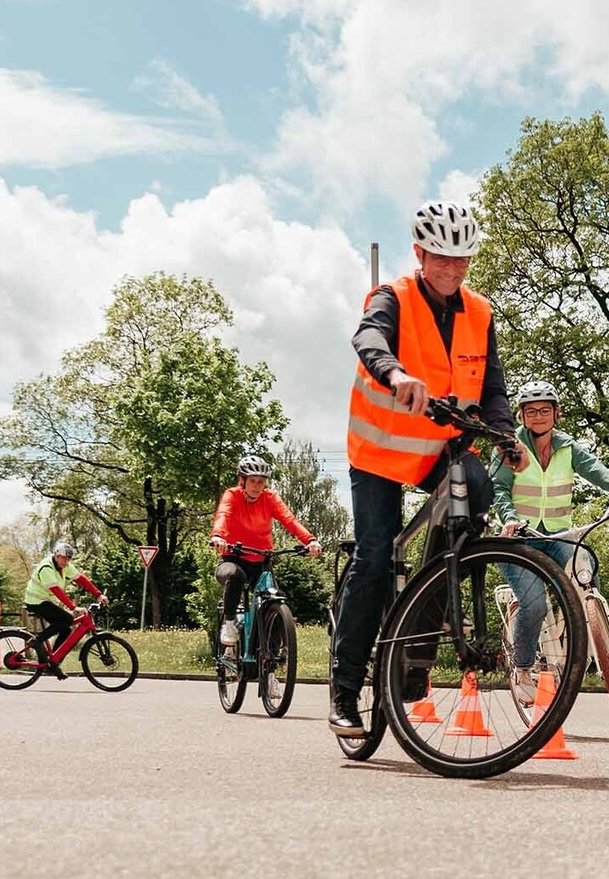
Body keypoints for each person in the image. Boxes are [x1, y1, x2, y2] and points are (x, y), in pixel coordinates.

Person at [330, 199, 519, 735]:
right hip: (381, 455)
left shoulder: (480, 313)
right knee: (372, 559)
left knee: (477, 494)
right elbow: (367, 339)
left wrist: (504, 434)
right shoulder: (392, 297)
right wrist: (395, 374)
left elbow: (493, 388)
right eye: (442, 258)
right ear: (419, 253)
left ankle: (415, 639)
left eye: (462, 260)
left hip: (442, 450)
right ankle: (344, 692)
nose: (453, 269)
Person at [493, 379, 609, 699]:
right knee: (533, 604)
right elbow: (499, 488)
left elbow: (597, 470)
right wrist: (510, 518)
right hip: (519, 538)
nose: (538, 416)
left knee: (585, 565)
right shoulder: (509, 446)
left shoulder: (568, 447)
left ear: (557, 414)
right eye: (531, 411)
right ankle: (522, 668)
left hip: (558, 533)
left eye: (545, 410)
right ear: (522, 416)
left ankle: (597, 642)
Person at [209, 452, 317, 654]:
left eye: (261, 481)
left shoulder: (270, 498)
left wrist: (309, 540)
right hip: (234, 557)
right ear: (242, 480)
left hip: (261, 561)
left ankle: (272, 660)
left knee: (273, 600)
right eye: (252, 481)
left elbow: (289, 521)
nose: (257, 486)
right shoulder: (232, 496)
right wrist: (218, 537)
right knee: (235, 576)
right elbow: (223, 515)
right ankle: (230, 623)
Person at [22, 542, 100, 671]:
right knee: (67, 619)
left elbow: (81, 579)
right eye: (63, 558)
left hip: (46, 601)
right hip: (36, 601)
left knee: (66, 630)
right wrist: (74, 607)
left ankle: (53, 662)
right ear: (56, 555)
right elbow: (56, 590)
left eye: (68, 558)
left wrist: (98, 594)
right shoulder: (46, 567)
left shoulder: (65, 566)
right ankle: (37, 641)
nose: (66, 561)